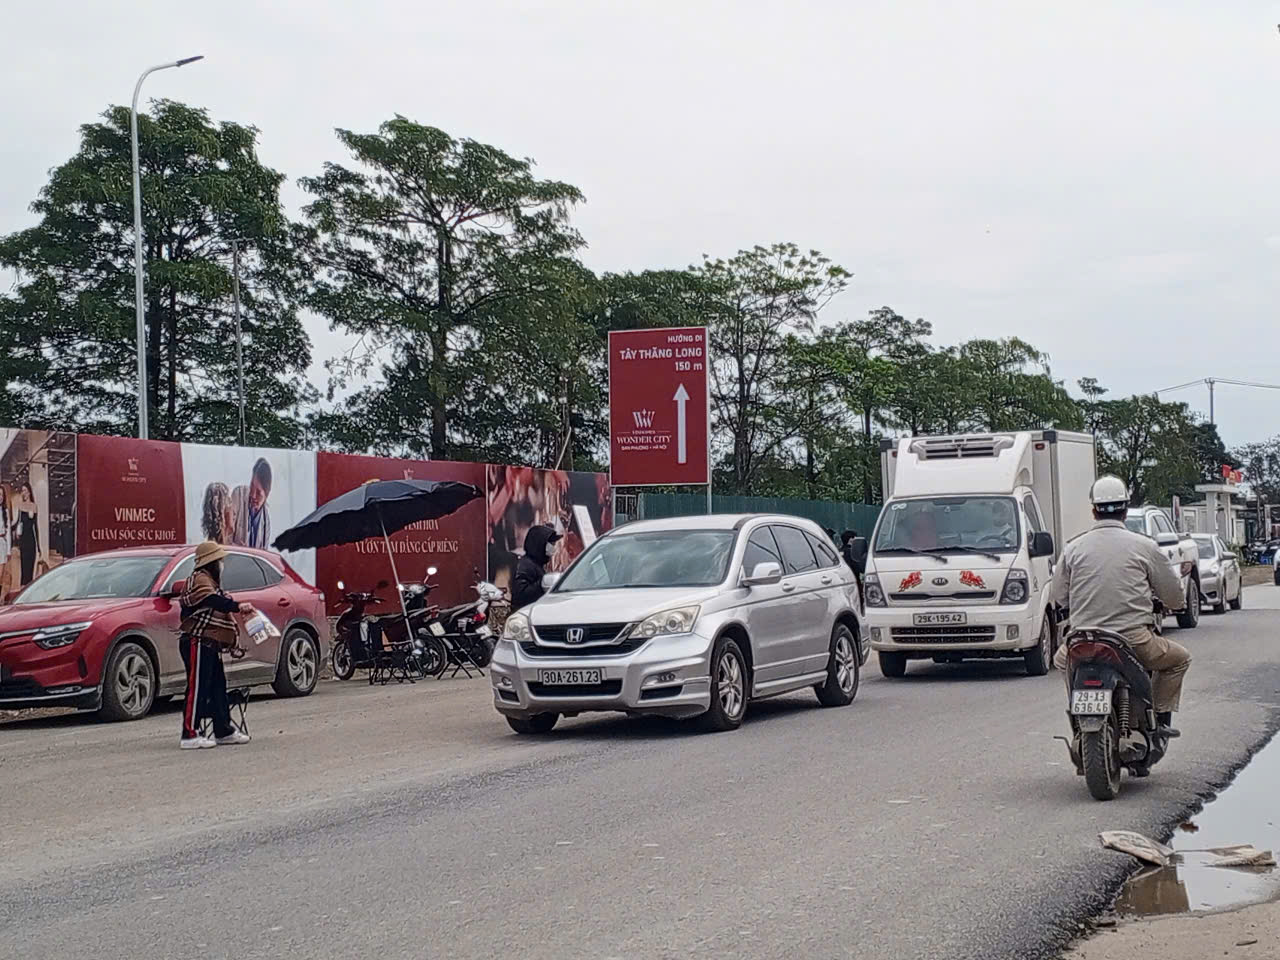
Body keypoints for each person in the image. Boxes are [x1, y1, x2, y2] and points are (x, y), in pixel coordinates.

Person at [1050, 475, 1190, 738]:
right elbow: (1175, 597)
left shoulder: (1073, 548)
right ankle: (1157, 720)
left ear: (1093, 511)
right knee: (1179, 659)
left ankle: (1078, 710)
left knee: (1061, 661)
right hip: (1133, 640)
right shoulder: (1145, 547)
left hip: (1082, 641)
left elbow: (1059, 596)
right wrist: (1172, 605)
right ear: (1126, 509)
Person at [178, 541, 254, 749]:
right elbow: (212, 600)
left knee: (217, 687)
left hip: (210, 642)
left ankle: (223, 729)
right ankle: (190, 733)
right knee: (198, 688)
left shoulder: (211, 582)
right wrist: (237, 606)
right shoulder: (199, 580)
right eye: (219, 561)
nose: (222, 564)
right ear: (211, 562)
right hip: (197, 640)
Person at [511, 523, 562, 612]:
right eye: (551, 543)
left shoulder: (537, 564)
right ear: (539, 543)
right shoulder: (526, 565)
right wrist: (541, 584)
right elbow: (520, 595)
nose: (553, 547)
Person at [230, 458, 272, 549]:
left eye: (258, 492)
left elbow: (263, 555)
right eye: (252, 485)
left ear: (266, 494)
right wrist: (240, 549)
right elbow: (223, 537)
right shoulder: (238, 495)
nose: (253, 495)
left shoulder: (266, 521)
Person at [14, 481, 41, 587]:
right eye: (22, 491)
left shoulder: (34, 506)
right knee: (24, 567)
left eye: (25, 490)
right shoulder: (21, 506)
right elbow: (18, 522)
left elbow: (36, 527)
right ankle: (22, 588)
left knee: (30, 567)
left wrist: (39, 547)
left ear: (29, 492)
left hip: (32, 541)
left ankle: (29, 588)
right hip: (23, 541)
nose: (23, 493)